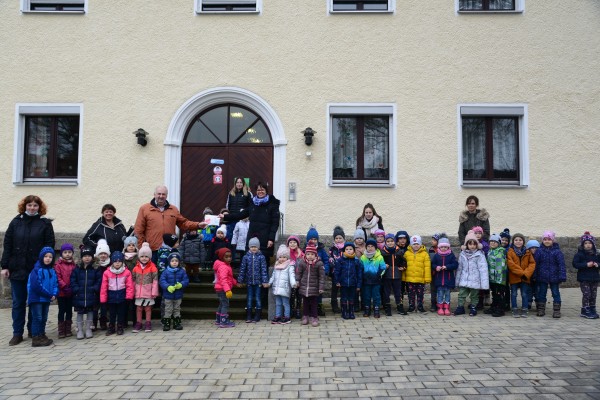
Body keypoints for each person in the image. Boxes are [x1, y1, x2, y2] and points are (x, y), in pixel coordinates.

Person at [1, 195, 55, 346]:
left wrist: (47, 267)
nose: (32, 208)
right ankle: (17, 333)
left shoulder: (45, 224)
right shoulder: (16, 222)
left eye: (35, 205)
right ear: (24, 206)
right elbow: (8, 244)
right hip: (17, 269)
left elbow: (49, 246)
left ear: (39, 207)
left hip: (36, 271)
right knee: (18, 302)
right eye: (29, 205)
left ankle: (34, 330)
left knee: (34, 302)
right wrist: (4, 266)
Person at [134, 185, 206, 262]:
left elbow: (184, 223)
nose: (161, 196)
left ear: (166, 196)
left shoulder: (173, 209)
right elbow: (138, 230)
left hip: (169, 249)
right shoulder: (144, 209)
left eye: (163, 194)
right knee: (153, 273)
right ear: (154, 194)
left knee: (169, 273)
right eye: (159, 194)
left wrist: (197, 225)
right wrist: (142, 248)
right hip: (152, 250)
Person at [220, 182, 280, 260]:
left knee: (264, 261)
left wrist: (271, 239)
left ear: (266, 191)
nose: (260, 192)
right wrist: (225, 216)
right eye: (258, 190)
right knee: (250, 260)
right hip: (253, 236)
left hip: (265, 238)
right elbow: (240, 215)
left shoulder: (272, 205)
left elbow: (275, 223)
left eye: (262, 190)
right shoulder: (253, 203)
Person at [27, 247, 58, 347]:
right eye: (45, 256)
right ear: (41, 257)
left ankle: (41, 335)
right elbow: (36, 286)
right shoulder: (36, 270)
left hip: (46, 299)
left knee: (44, 318)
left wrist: (54, 293)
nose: (48, 258)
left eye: (50, 257)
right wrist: (49, 294)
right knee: (37, 318)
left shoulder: (52, 271)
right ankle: (36, 337)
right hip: (37, 299)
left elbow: (55, 284)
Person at [455, 230, 489, 316]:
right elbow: (460, 268)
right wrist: (457, 280)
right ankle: (460, 307)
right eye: (470, 244)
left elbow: (483, 269)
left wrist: (484, 283)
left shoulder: (480, 254)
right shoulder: (462, 254)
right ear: (466, 245)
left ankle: (473, 307)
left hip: (475, 280)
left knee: (474, 295)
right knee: (461, 294)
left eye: (474, 244)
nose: (472, 246)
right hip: (464, 279)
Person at [70, 246, 101, 340]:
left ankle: (88, 329)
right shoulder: (77, 269)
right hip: (79, 295)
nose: (87, 258)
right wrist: (76, 289)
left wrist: (95, 289)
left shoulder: (95, 269)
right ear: (81, 258)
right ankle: (79, 330)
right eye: (85, 256)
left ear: (92, 257)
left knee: (90, 312)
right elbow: (73, 280)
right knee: (79, 313)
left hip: (91, 295)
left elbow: (99, 281)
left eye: (89, 256)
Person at [100, 251, 134, 336]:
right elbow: (104, 286)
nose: (117, 263)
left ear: (122, 262)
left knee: (121, 313)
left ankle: (120, 326)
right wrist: (103, 298)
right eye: (115, 261)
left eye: (119, 261)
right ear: (112, 262)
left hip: (122, 296)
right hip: (111, 296)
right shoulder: (107, 273)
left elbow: (129, 285)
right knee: (112, 313)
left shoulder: (126, 272)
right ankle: (111, 327)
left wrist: (129, 296)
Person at [534, 230, 566, 318]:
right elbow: (535, 264)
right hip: (542, 276)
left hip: (554, 276)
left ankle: (556, 311)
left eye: (549, 239)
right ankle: (541, 309)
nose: (547, 241)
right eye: (545, 239)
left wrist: (562, 275)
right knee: (542, 293)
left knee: (555, 293)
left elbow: (561, 265)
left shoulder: (557, 252)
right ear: (542, 241)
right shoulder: (539, 251)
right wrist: (534, 275)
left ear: (553, 240)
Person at [238, 237, 269, 323]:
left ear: (258, 247)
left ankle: (257, 315)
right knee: (249, 298)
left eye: (255, 247)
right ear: (249, 247)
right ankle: (248, 315)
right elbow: (242, 269)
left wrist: (265, 281)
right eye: (252, 247)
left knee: (258, 298)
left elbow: (263, 270)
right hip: (249, 282)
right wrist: (240, 280)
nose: (253, 248)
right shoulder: (245, 257)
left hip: (258, 282)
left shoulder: (261, 257)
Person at [131, 243, 159, 333]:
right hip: (138, 292)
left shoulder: (153, 268)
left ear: (150, 257)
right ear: (139, 257)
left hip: (148, 292)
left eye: (146, 256)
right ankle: (138, 323)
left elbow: (155, 281)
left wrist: (154, 292)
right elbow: (133, 280)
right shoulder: (135, 268)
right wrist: (132, 291)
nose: (144, 258)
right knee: (139, 308)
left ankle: (148, 323)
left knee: (148, 308)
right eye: (142, 256)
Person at [507, 233, 536, 318]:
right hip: (514, 277)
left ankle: (525, 308)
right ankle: (514, 308)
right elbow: (511, 264)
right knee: (514, 293)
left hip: (525, 278)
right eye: (516, 240)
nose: (518, 242)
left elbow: (532, 264)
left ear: (523, 242)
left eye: (520, 240)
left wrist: (526, 274)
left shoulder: (527, 252)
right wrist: (522, 273)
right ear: (513, 241)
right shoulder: (510, 251)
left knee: (524, 293)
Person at [572, 232, 600, 319]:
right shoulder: (579, 254)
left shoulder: (597, 254)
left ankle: (592, 308)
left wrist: (597, 264)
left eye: (590, 243)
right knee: (587, 294)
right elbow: (575, 264)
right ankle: (585, 310)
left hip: (594, 278)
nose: (588, 245)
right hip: (584, 278)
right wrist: (586, 264)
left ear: (593, 244)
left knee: (593, 295)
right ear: (583, 245)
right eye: (586, 243)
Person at [296, 245, 325, 327]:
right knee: (305, 303)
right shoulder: (302, 262)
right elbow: (299, 273)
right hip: (304, 287)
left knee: (314, 303)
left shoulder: (319, 263)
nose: (310, 256)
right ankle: (305, 316)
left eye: (312, 254)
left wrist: (321, 287)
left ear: (315, 255)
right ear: (305, 254)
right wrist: (297, 281)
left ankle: (314, 317)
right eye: (308, 254)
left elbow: (321, 277)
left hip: (314, 288)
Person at [159, 252, 189, 330]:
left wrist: (181, 285)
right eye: (172, 261)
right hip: (168, 295)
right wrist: (167, 286)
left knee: (177, 309)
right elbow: (162, 281)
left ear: (179, 262)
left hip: (178, 295)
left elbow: (186, 280)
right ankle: (167, 323)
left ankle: (177, 323)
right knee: (168, 309)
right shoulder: (166, 271)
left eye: (176, 261)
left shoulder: (182, 271)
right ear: (169, 262)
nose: (174, 262)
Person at [304, 226, 330, 317]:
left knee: (318, 292)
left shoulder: (321, 250)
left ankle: (318, 306)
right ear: (308, 240)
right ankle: (309, 308)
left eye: (315, 239)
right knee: (310, 293)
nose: (314, 241)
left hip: (319, 275)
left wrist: (325, 270)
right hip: (309, 275)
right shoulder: (305, 250)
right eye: (311, 239)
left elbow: (326, 260)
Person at [268, 244, 297, 324]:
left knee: (285, 303)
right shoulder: (277, 266)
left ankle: (287, 317)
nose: (282, 259)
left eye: (284, 257)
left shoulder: (289, 266)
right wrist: (269, 283)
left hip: (285, 288)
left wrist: (293, 283)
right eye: (280, 257)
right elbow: (273, 276)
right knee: (278, 304)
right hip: (277, 288)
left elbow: (292, 275)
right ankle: (278, 316)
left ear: (287, 258)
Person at [404, 235, 432, 313]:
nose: (416, 246)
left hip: (420, 279)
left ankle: (420, 307)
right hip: (410, 279)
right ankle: (411, 307)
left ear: (420, 244)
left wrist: (427, 278)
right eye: (414, 244)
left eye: (417, 244)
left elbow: (427, 267)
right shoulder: (406, 253)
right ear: (410, 245)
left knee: (420, 294)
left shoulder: (425, 254)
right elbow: (404, 266)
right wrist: (403, 277)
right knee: (411, 294)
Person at [334, 242, 362, 320]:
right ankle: (344, 311)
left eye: (350, 249)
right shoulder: (340, 260)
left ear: (354, 250)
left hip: (353, 283)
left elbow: (359, 273)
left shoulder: (356, 261)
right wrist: (337, 281)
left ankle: (351, 311)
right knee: (344, 298)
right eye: (347, 249)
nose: (349, 251)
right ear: (344, 250)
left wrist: (359, 284)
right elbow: (337, 272)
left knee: (352, 298)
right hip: (343, 284)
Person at [431, 237, 458, 316]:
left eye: (445, 247)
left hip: (448, 279)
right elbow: (432, 264)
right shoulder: (436, 255)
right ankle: (440, 307)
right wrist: (436, 267)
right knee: (440, 293)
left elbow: (455, 264)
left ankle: (446, 307)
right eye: (442, 247)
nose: (443, 248)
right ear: (439, 247)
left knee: (447, 294)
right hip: (439, 279)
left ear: (448, 247)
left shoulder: (451, 255)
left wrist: (447, 267)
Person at [54, 243, 77, 338]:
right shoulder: (58, 265)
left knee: (69, 310)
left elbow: (75, 276)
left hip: (70, 291)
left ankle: (68, 328)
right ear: (61, 253)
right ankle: (61, 329)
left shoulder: (73, 265)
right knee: (61, 310)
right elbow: (57, 277)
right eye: (65, 252)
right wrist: (64, 286)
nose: (67, 254)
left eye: (69, 252)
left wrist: (72, 287)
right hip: (62, 292)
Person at [381, 233, 406, 316]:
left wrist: (403, 267)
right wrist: (384, 266)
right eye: (388, 241)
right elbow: (380, 263)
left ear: (395, 242)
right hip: (387, 275)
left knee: (398, 292)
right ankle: (387, 307)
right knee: (386, 292)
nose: (390, 243)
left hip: (397, 275)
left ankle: (400, 306)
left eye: (391, 241)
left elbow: (404, 261)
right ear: (385, 242)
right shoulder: (383, 252)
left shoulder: (399, 251)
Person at [360, 239, 386, 318]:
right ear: (366, 247)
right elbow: (360, 268)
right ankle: (367, 309)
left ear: (375, 247)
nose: (370, 248)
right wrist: (362, 277)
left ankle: (376, 309)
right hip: (366, 281)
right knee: (366, 296)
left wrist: (379, 275)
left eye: (372, 246)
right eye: (368, 246)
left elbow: (383, 268)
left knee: (376, 296)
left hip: (376, 281)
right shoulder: (363, 257)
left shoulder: (379, 257)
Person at [214, 247, 237, 328]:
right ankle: (224, 322)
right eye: (226, 257)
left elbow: (229, 278)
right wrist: (227, 290)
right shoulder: (223, 267)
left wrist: (235, 283)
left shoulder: (225, 265)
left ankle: (218, 319)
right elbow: (224, 280)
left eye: (230, 256)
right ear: (221, 257)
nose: (229, 258)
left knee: (221, 304)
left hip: (220, 288)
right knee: (225, 305)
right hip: (223, 289)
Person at [486, 234, 508, 317]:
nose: (492, 243)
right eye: (491, 241)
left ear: (498, 243)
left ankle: (500, 309)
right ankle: (494, 306)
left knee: (499, 294)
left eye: (495, 242)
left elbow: (500, 266)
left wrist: (498, 279)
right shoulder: (490, 251)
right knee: (494, 293)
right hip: (492, 277)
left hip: (499, 278)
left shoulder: (500, 251)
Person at [225, 177, 252, 241]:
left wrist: (248, 217)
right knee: (231, 238)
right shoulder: (231, 193)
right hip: (232, 220)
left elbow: (251, 207)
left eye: (240, 182)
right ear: (235, 184)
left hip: (242, 220)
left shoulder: (248, 194)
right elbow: (228, 206)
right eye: (237, 182)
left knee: (242, 239)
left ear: (243, 184)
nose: (239, 184)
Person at [328, 226, 346, 314]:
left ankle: (344, 305)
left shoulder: (346, 248)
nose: (338, 240)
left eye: (340, 238)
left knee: (343, 290)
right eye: (336, 238)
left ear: (343, 238)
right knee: (334, 290)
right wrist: (332, 263)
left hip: (344, 273)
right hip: (335, 273)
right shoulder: (332, 249)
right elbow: (330, 259)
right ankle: (334, 305)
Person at [287, 235, 304, 319]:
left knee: (299, 295)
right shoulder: (286, 253)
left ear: (297, 244)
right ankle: (291, 309)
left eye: (294, 242)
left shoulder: (301, 253)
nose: (292, 244)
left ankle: (298, 309)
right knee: (291, 295)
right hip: (290, 278)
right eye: (291, 242)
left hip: (299, 278)